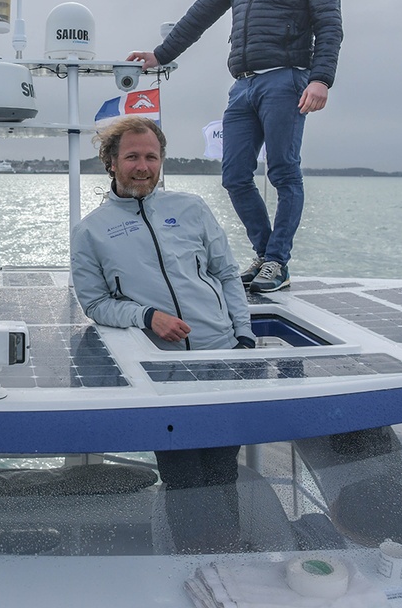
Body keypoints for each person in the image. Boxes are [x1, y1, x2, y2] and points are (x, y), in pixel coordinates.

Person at [127, 0, 342, 293]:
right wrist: (161, 54)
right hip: (243, 86)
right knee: (234, 176)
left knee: (282, 171)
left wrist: (320, 79)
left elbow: (330, 25)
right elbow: (202, 13)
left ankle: (277, 261)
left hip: (287, 78)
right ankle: (266, 256)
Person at [71, 116, 256, 553]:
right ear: (110, 162)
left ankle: (227, 552)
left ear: (161, 161)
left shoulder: (191, 208)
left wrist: (244, 340)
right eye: (132, 156)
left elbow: (227, 274)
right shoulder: (90, 231)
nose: (143, 166)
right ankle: (196, 557)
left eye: (151, 156)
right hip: (160, 372)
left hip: (220, 359)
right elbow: (95, 304)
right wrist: (147, 315)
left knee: (222, 464)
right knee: (182, 472)